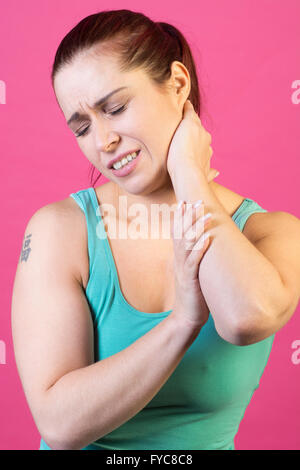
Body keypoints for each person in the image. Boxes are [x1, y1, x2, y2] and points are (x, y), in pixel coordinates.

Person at [11, 9, 300, 451]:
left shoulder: (271, 233)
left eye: (115, 107)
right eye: (83, 127)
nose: (103, 140)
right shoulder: (59, 232)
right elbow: (60, 424)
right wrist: (183, 320)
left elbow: (247, 318)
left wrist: (188, 173)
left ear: (179, 84)